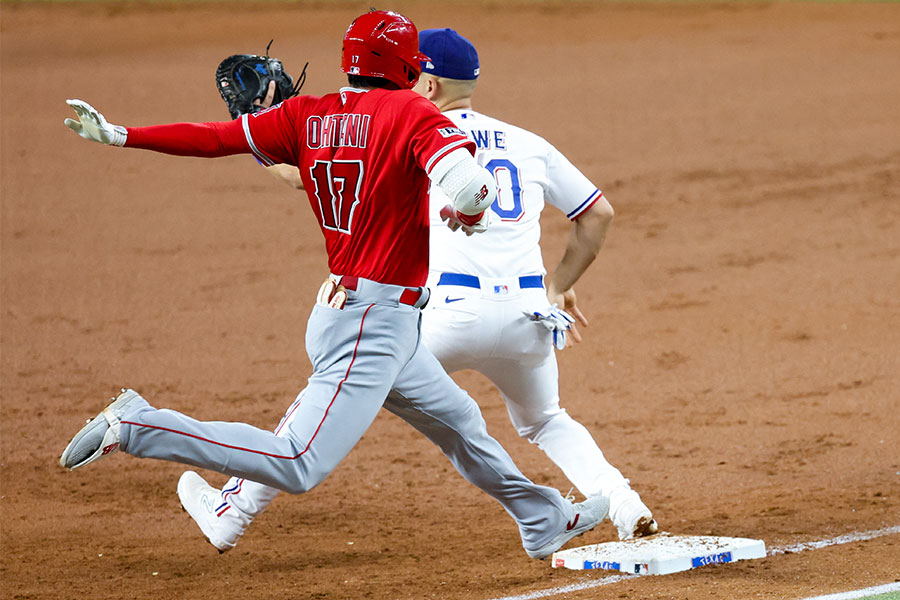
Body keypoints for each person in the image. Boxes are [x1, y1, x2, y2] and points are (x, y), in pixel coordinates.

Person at [58, 10, 608, 561]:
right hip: (371, 324)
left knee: (460, 421)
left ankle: (543, 519)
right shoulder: (412, 111)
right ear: (405, 65)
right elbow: (468, 189)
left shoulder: (305, 114)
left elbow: (213, 138)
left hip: (369, 316)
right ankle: (136, 424)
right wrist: (474, 211)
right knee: (297, 462)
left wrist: (119, 134)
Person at [177, 28, 657, 552]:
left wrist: (259, 131)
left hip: (442, 319)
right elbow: (597, 214)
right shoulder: (526, 141)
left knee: (333, 386)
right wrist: (558, 286)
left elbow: (304, 176)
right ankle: (623, 504)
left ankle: (231, 509)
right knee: (543, 420)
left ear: (424, 84)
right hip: (528, 317)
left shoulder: (405, 131)